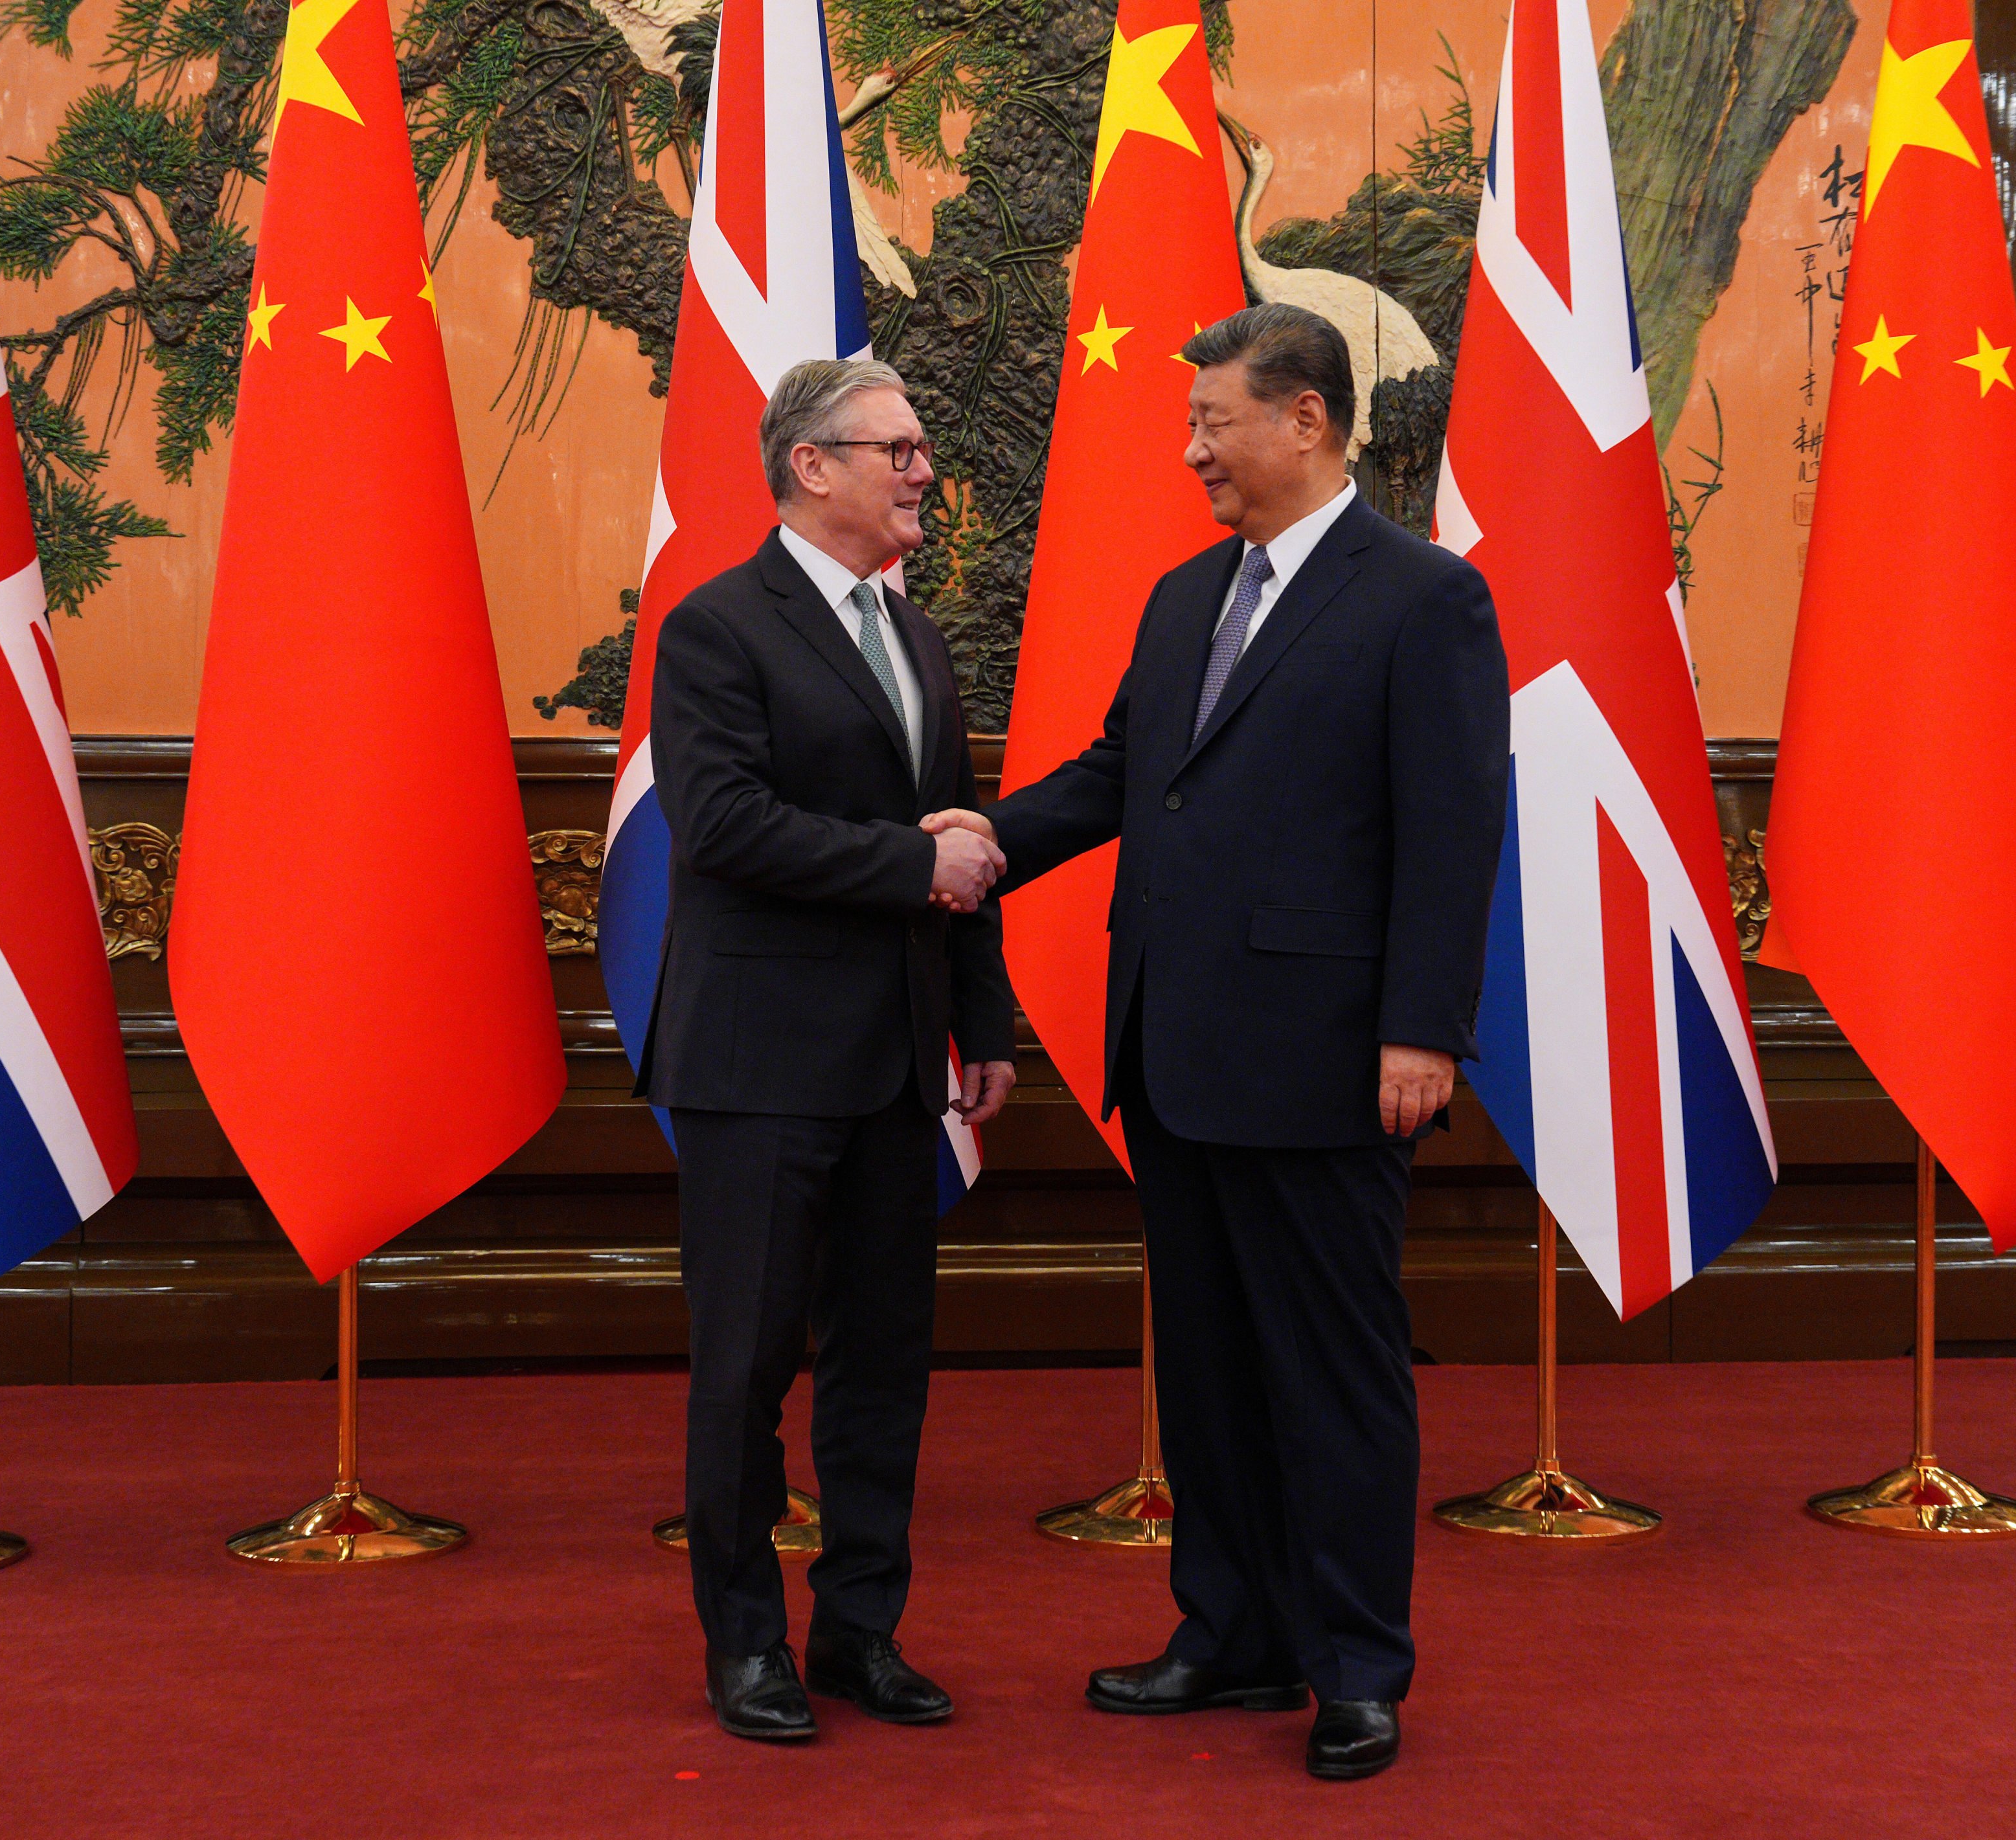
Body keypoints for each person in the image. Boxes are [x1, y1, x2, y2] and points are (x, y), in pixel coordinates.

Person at [925, 302, 1508, 1781]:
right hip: (1176, 1048)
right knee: (1207, 1372)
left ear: (1304, 419)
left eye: (1212, 423)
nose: (1190, 451)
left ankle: (1356, 1664)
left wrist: (1418, 1030)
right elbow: (1129, 772)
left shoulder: (1419, 595)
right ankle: (1227, 1630)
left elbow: (1452, 832)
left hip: (1329, 1059)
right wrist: (987, 835)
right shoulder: (1188, 593)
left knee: (1332, 1373)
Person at [642, 357, 1019, 1743]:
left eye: (922, 447)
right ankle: (745, 1641)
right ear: (810, 465)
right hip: (754, 1062)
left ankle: (860, 1628)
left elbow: (957, 838)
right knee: (744, 1364)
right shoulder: (716, 627)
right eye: (899, 449)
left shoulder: (912, 636)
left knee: (885, 1362)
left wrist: (979, 1018)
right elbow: (726, 826)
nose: (923, 469)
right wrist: (909, 864)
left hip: (892, 1064)